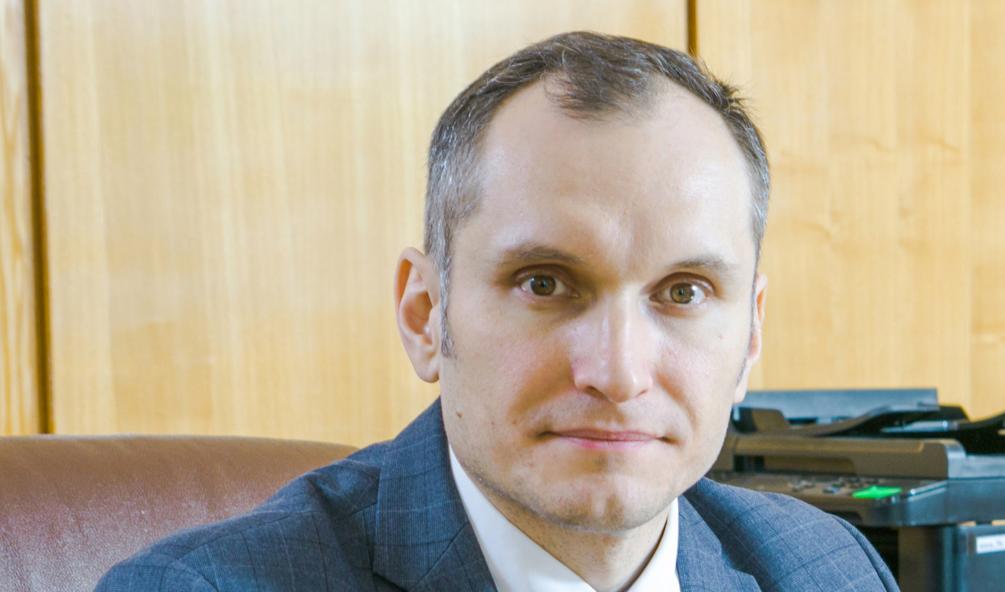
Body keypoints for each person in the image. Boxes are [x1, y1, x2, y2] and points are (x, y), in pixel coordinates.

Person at [97, 31, 897, 592]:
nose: (618, 373)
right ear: (425, 314)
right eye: (544, 283)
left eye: (682, 292)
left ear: (750, 333)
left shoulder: (826, 570)